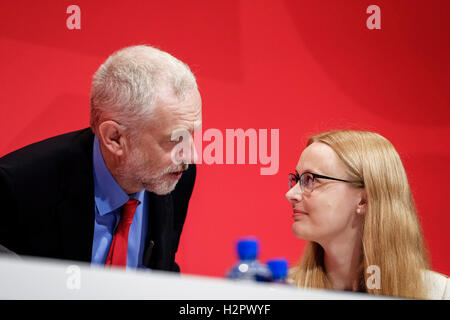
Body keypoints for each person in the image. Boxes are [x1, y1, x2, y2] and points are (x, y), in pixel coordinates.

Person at [0, 45, 202, 272]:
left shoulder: (177, 176)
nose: (192, 155)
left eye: (191, 135)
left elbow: (161, 272)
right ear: (114, 138)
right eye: (175, 140)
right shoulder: (17, 187)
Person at [285, 130, 449, 299]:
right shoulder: (280, 291)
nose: (290, 194)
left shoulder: (440, 294)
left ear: (363, 200)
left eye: (311, 179)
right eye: (297, 179)